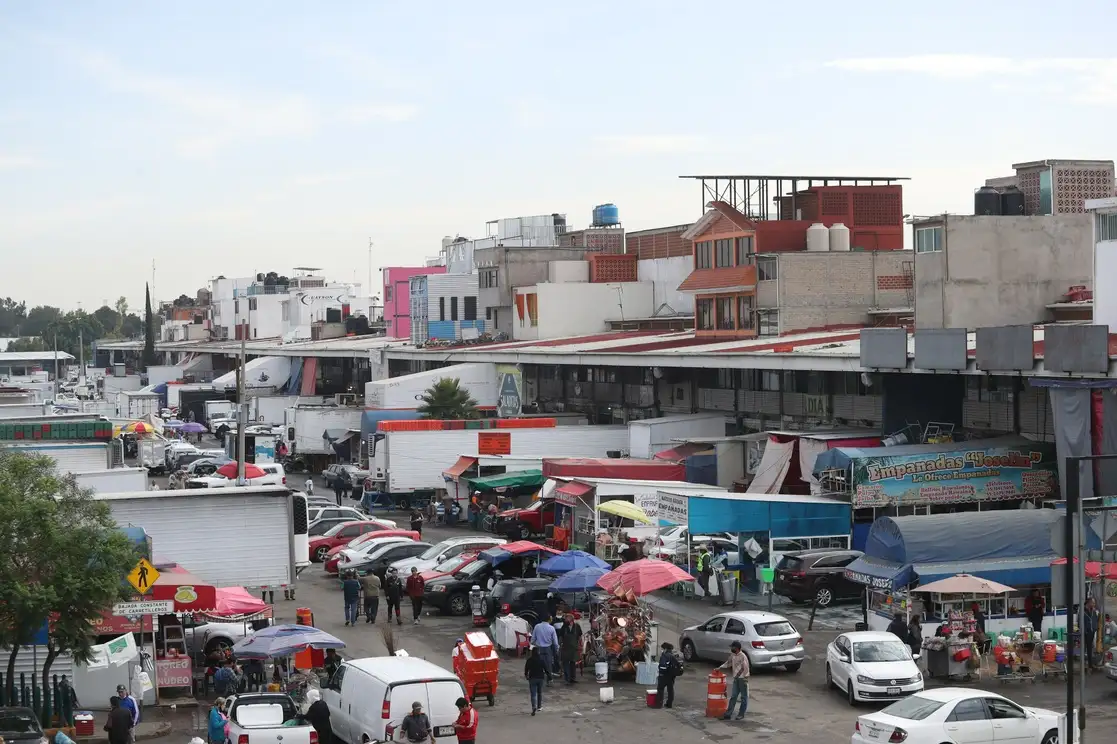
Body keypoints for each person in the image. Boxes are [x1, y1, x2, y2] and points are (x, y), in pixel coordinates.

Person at [718, 641, 750, 721]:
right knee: (733, 696)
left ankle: (741, 714)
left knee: (743, 697)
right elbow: (728, 663)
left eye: (733, 647)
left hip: (742, 679)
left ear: (737, 648)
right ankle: (728, 714)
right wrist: (720, 667)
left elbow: (746, 668)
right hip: (736, 679)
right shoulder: (733, 655)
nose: (731, 649)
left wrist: (746, 678)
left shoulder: (743, 656)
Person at [529, 610, 559, 681]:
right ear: (549, 619)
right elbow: (555, 641)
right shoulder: (551, 628)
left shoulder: (537, 626)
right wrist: (557, 648)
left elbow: (533, 639)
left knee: (539, 663)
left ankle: (539, 677)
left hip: (539, 648)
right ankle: (549, 679)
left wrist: (532, 644)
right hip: (548, 648)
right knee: (548, 664)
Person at [656, 642, 683, 709]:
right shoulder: (672, 655)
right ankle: (669, 704)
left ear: (665, 649)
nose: (661, 650)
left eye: (662, 648)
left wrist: (660, 673)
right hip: (671, 676)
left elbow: (663, 667)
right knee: (670, 690)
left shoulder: (665, 656)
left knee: (660, 689)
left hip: (664, 675)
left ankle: (659, 704)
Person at [557, 614, 582, 683]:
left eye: (566, 619)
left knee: (573, 663)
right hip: (565, 648)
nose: (565, 620)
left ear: (571, 620)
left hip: (574, 648)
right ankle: (567, 679)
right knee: (565, 664)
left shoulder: (577, 626)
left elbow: (580, 636)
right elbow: (561, 637)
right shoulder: (564, 627)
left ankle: (572, 678)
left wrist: (580, 646)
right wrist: (559, 645)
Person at [524, 647, 548, 715]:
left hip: (532, 678)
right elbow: (546, 669)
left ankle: (533, 706)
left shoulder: (529, 660)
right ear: (539, 652)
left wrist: (526, 675)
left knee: (533, 694)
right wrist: (549, 677)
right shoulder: (541, 660)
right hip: (540, 678)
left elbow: (526, 669)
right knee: (539, 693)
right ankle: (539, 706)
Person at [1084, 596, 1100, 667]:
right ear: (1089, 602)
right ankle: (1086, 663)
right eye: (1093, 603)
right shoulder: (1083, 610)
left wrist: (1095, 628)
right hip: (1086, 632)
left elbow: (1095, 620)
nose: (1094, 604)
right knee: (1086, 647)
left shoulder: (1093, 611)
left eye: (1094, 603)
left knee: (1090, 647)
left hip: (1092, 631)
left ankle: (1090, 664)